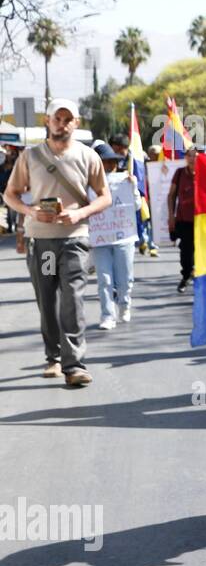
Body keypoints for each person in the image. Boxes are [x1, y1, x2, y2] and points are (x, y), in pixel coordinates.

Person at [1, 99, 112, 386]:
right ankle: (54, 357)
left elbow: (104, 196)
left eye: (67, 119)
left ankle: (74, 365)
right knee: (48, 300)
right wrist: (30, 212)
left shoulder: (89, 157)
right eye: (56, 119)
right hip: (42, 241)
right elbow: (10, 194)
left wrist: (81, 213)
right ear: (47, 122)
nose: (61, 124)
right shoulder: (31, 157)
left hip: (74, 240)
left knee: (73, 299)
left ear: (76, 123)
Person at [89, 141, 140, 330]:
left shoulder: (125, 181)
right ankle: (107, 315)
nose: (109, 166)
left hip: (123, 237)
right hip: (101, 239)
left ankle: (124, 304)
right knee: (104, 279)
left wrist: (133, 188)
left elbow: (136, 207)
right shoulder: (87, 186)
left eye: (111, 162)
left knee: (124, 277)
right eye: (104, 162)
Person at [111, 133, 158, 258]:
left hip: (134, 198)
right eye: (114, 150)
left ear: (126, 148)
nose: (118, 154)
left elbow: (141, 181)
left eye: (120, 151)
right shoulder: (109, 160)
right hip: (115, 202)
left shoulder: (135, 161)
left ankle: (147, 243)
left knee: (142, 222)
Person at [168, 146, 197, 292]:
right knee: (186, 252)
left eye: (195, 156)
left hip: (203, 220)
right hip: (183, 220)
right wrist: (171, 216)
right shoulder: (179, 173)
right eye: (190, 156)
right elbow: (171, 195)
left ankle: (199, 277)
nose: (192, 159)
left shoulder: (205, 173)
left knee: (201, 251)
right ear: (185, 158)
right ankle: (186, 276)